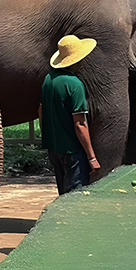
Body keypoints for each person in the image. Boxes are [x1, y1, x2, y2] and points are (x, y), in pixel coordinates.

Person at [38, 35, 101, 195]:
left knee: (63, 194)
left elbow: (40, 111)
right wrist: (92, 157)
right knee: (75, 197)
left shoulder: (48, 79)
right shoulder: (75, 84)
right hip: (72, 149)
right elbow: (79, 124)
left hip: (54, 148)